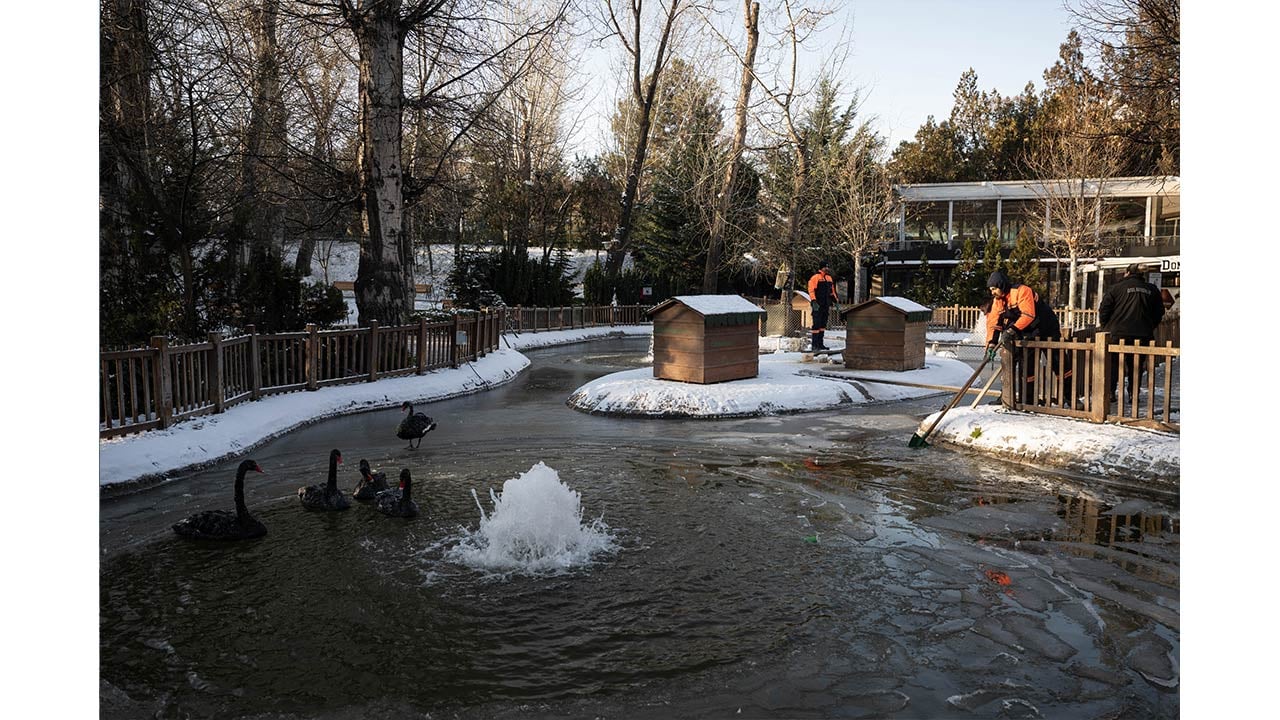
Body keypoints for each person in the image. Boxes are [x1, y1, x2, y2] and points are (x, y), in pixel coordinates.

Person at [1099, 264, 1165, 402]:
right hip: (1142, 334)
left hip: (1117, 333)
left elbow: (1104, 309)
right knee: (1136, 366)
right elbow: (1159, 312)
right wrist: (1149, 326)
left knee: (1113, 364)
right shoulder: (1151, 289)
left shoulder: (1116, 288)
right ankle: (1133, 394)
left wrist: (1106, 327)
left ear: (1127, 273)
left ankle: (1111, 392)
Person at [984, 270, 1039, 402]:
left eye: (994, 289)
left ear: (1001, 285)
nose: (992, 292)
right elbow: (994, 324)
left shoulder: (1020, 291)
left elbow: (1028, 315)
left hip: (1030, 331)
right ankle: (1006, 397)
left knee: (1026, 369)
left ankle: (1027, 399)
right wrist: (991, 344)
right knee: (1007, 367)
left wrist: (1010, 331)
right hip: (1015, 335)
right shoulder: (998, 301)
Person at [807, 261, 839, 351]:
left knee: (823, 325)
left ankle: (820, 344)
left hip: (826, 305)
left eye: (828, 267)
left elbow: (832, 291)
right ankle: (814, 345)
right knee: (816, 324)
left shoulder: (829, 278)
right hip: (817, 305)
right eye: (825, 267)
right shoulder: (815, 278)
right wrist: (813, 301)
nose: (827, 269)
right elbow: (811, 290)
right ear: (821, 268)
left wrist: (835, 301)